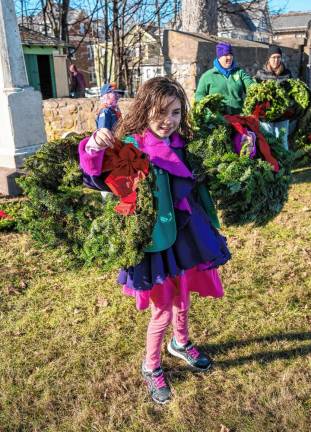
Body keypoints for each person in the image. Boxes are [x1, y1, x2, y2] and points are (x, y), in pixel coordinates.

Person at [78, 77, 231, 404]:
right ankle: (151, 365)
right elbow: (97, 177)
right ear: (145, 110)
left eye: (175, 112)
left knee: (184, 295)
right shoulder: (132, 146)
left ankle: (181, 342)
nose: (168, 121)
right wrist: (93, 147)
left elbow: (205, 173)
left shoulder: (183, 143)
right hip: (154, 242)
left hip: (186, 235)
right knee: (162, 307)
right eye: (161, 112)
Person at [195, 41, 254, 114]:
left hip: (238, 118)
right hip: (217, 120)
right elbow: (199, 95)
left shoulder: (239, 72)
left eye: (231, 54)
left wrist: (256, 88)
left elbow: (251, 86)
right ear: (219, 57)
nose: (229, 57)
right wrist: (208, 109)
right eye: (226, 55)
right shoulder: (207, 76)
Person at [255, 46, 293, 150]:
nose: (276, 60)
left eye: (278, 57)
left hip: (282, 114)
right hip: (265, 115)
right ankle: (271, 165)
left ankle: (285, 163)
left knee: (282, 140)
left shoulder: (287, 73)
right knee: (267, 140)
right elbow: (254, 93)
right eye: (273, 57)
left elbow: (291, 92)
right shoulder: (260, 74)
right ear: (268, 58)